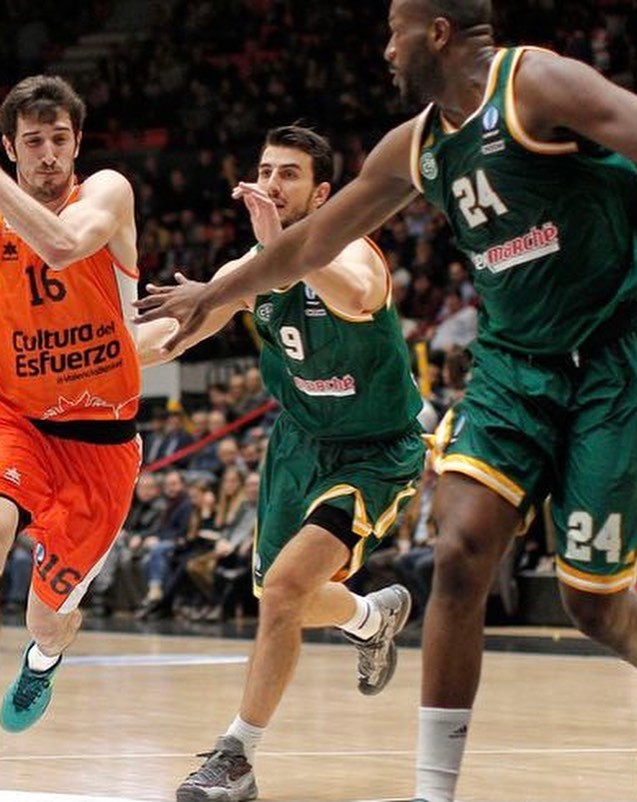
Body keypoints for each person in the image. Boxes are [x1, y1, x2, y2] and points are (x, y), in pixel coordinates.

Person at [134, 3, 637, 800]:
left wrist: (252, 265)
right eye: (264, 171)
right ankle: (408, 739)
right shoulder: (414, 145)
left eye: (395, 30)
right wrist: (192, 303)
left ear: (436, 32)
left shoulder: (534, 84)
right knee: (447, 555)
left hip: (581, 367)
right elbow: (259, 276)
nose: (384, 49)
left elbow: (329, 268)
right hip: (492, 371)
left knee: (593, 607)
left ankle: (286, 708)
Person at [138, 124, 426, 802]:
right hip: (299, 446)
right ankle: (370, 618)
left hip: (374, 451)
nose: (271, 183)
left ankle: (236, 757)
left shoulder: (355, 252)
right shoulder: (252, 270)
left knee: (289, 584)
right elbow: (172, 337)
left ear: (322, 195)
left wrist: (280, 250)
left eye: (289, 174)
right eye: (265, 170)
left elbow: (353, 295)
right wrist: (84, 360)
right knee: (280, 595)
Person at [0, 74, 172, 734]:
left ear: (78, 142)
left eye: (58, 139)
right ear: (10, 147)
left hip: (102, 446)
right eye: (32, 141)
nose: (48, 154)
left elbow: (63, 246)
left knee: (46, 620)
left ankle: (42, 661)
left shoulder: (106, 192)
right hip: (19, 420)